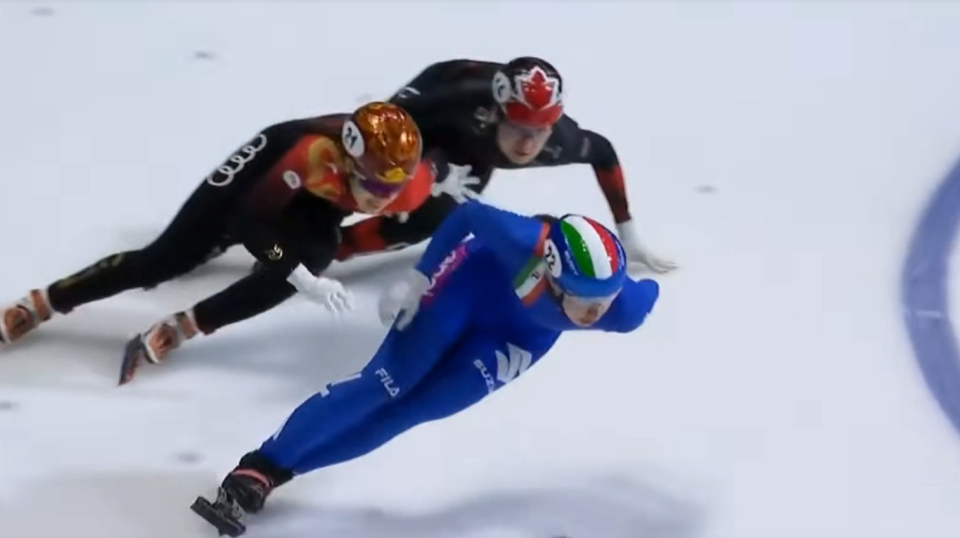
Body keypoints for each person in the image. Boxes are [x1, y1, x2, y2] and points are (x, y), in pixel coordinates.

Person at [190, 199, 661, 537]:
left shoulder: (624, 309)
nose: (595, 313)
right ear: (552, 274)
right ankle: (258, 465)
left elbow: (648, 294)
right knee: (385, 384)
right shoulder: (520, 241)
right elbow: (468, 215)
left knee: (411, 411)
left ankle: (273, 476)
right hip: (468, 284)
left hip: (518, 337)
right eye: (585, 300)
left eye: (606, 300)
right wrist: (419, 277)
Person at [0, 101, 441, 385]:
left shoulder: (410, 186)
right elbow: (249, 223)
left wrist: (300, 269)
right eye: (375, 187)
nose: (383, 200)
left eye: (393, 189)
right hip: (259, 181)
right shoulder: (309, 155)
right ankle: (44, 302)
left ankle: (186, 326)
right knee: (163, 261)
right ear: (350, 164)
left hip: (315, 200)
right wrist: (297, 274)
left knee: (313, 258)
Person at [335, 56, 677, 276]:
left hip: (472, 154)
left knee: (424, 222)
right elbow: (378, 122)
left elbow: (603, 153)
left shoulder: (560, 141)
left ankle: (329, 249)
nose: (527, 145)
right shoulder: (460, 99)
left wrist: (627, 231)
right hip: (433, 109)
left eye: (538, 132)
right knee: (391, 179)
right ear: (496, 114)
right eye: (517, 128)